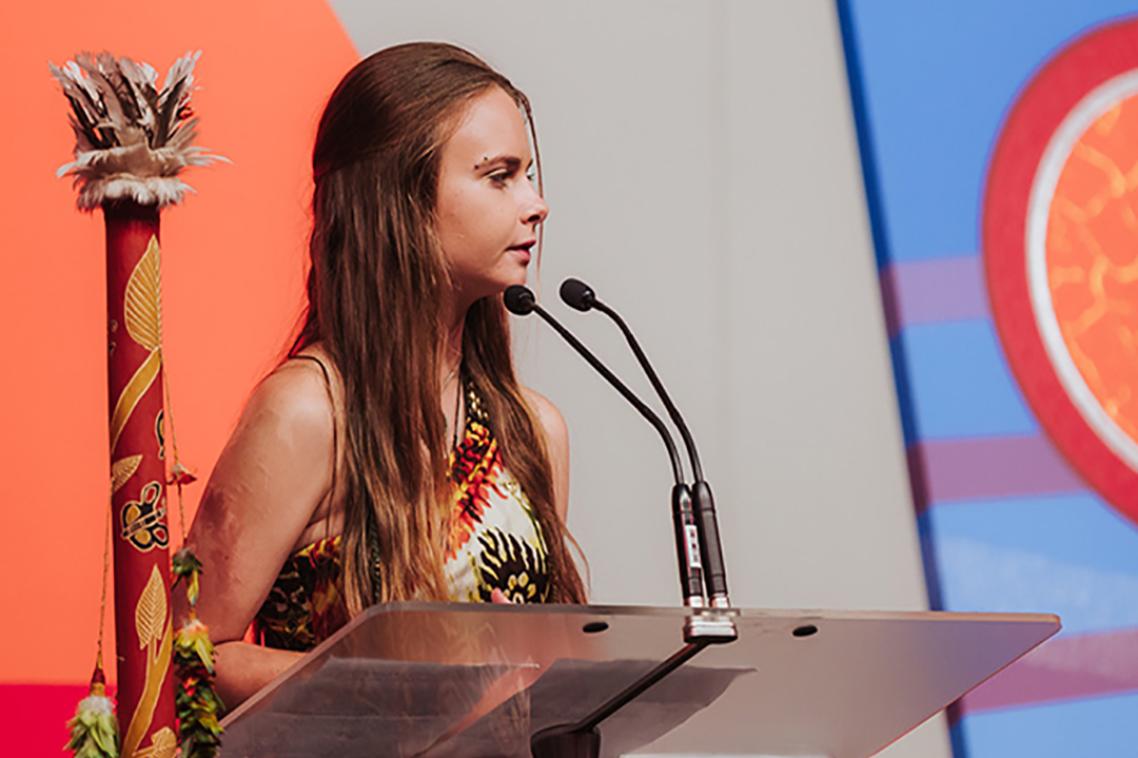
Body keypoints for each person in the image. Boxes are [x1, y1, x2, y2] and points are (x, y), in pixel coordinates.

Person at [177, 42, 587, 709]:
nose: (537, 203)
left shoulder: (534, 430)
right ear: (404, 199)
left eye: (529, 174)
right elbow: (185, 657)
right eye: (499, 176)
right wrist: (389, 688)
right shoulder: (309, 413)